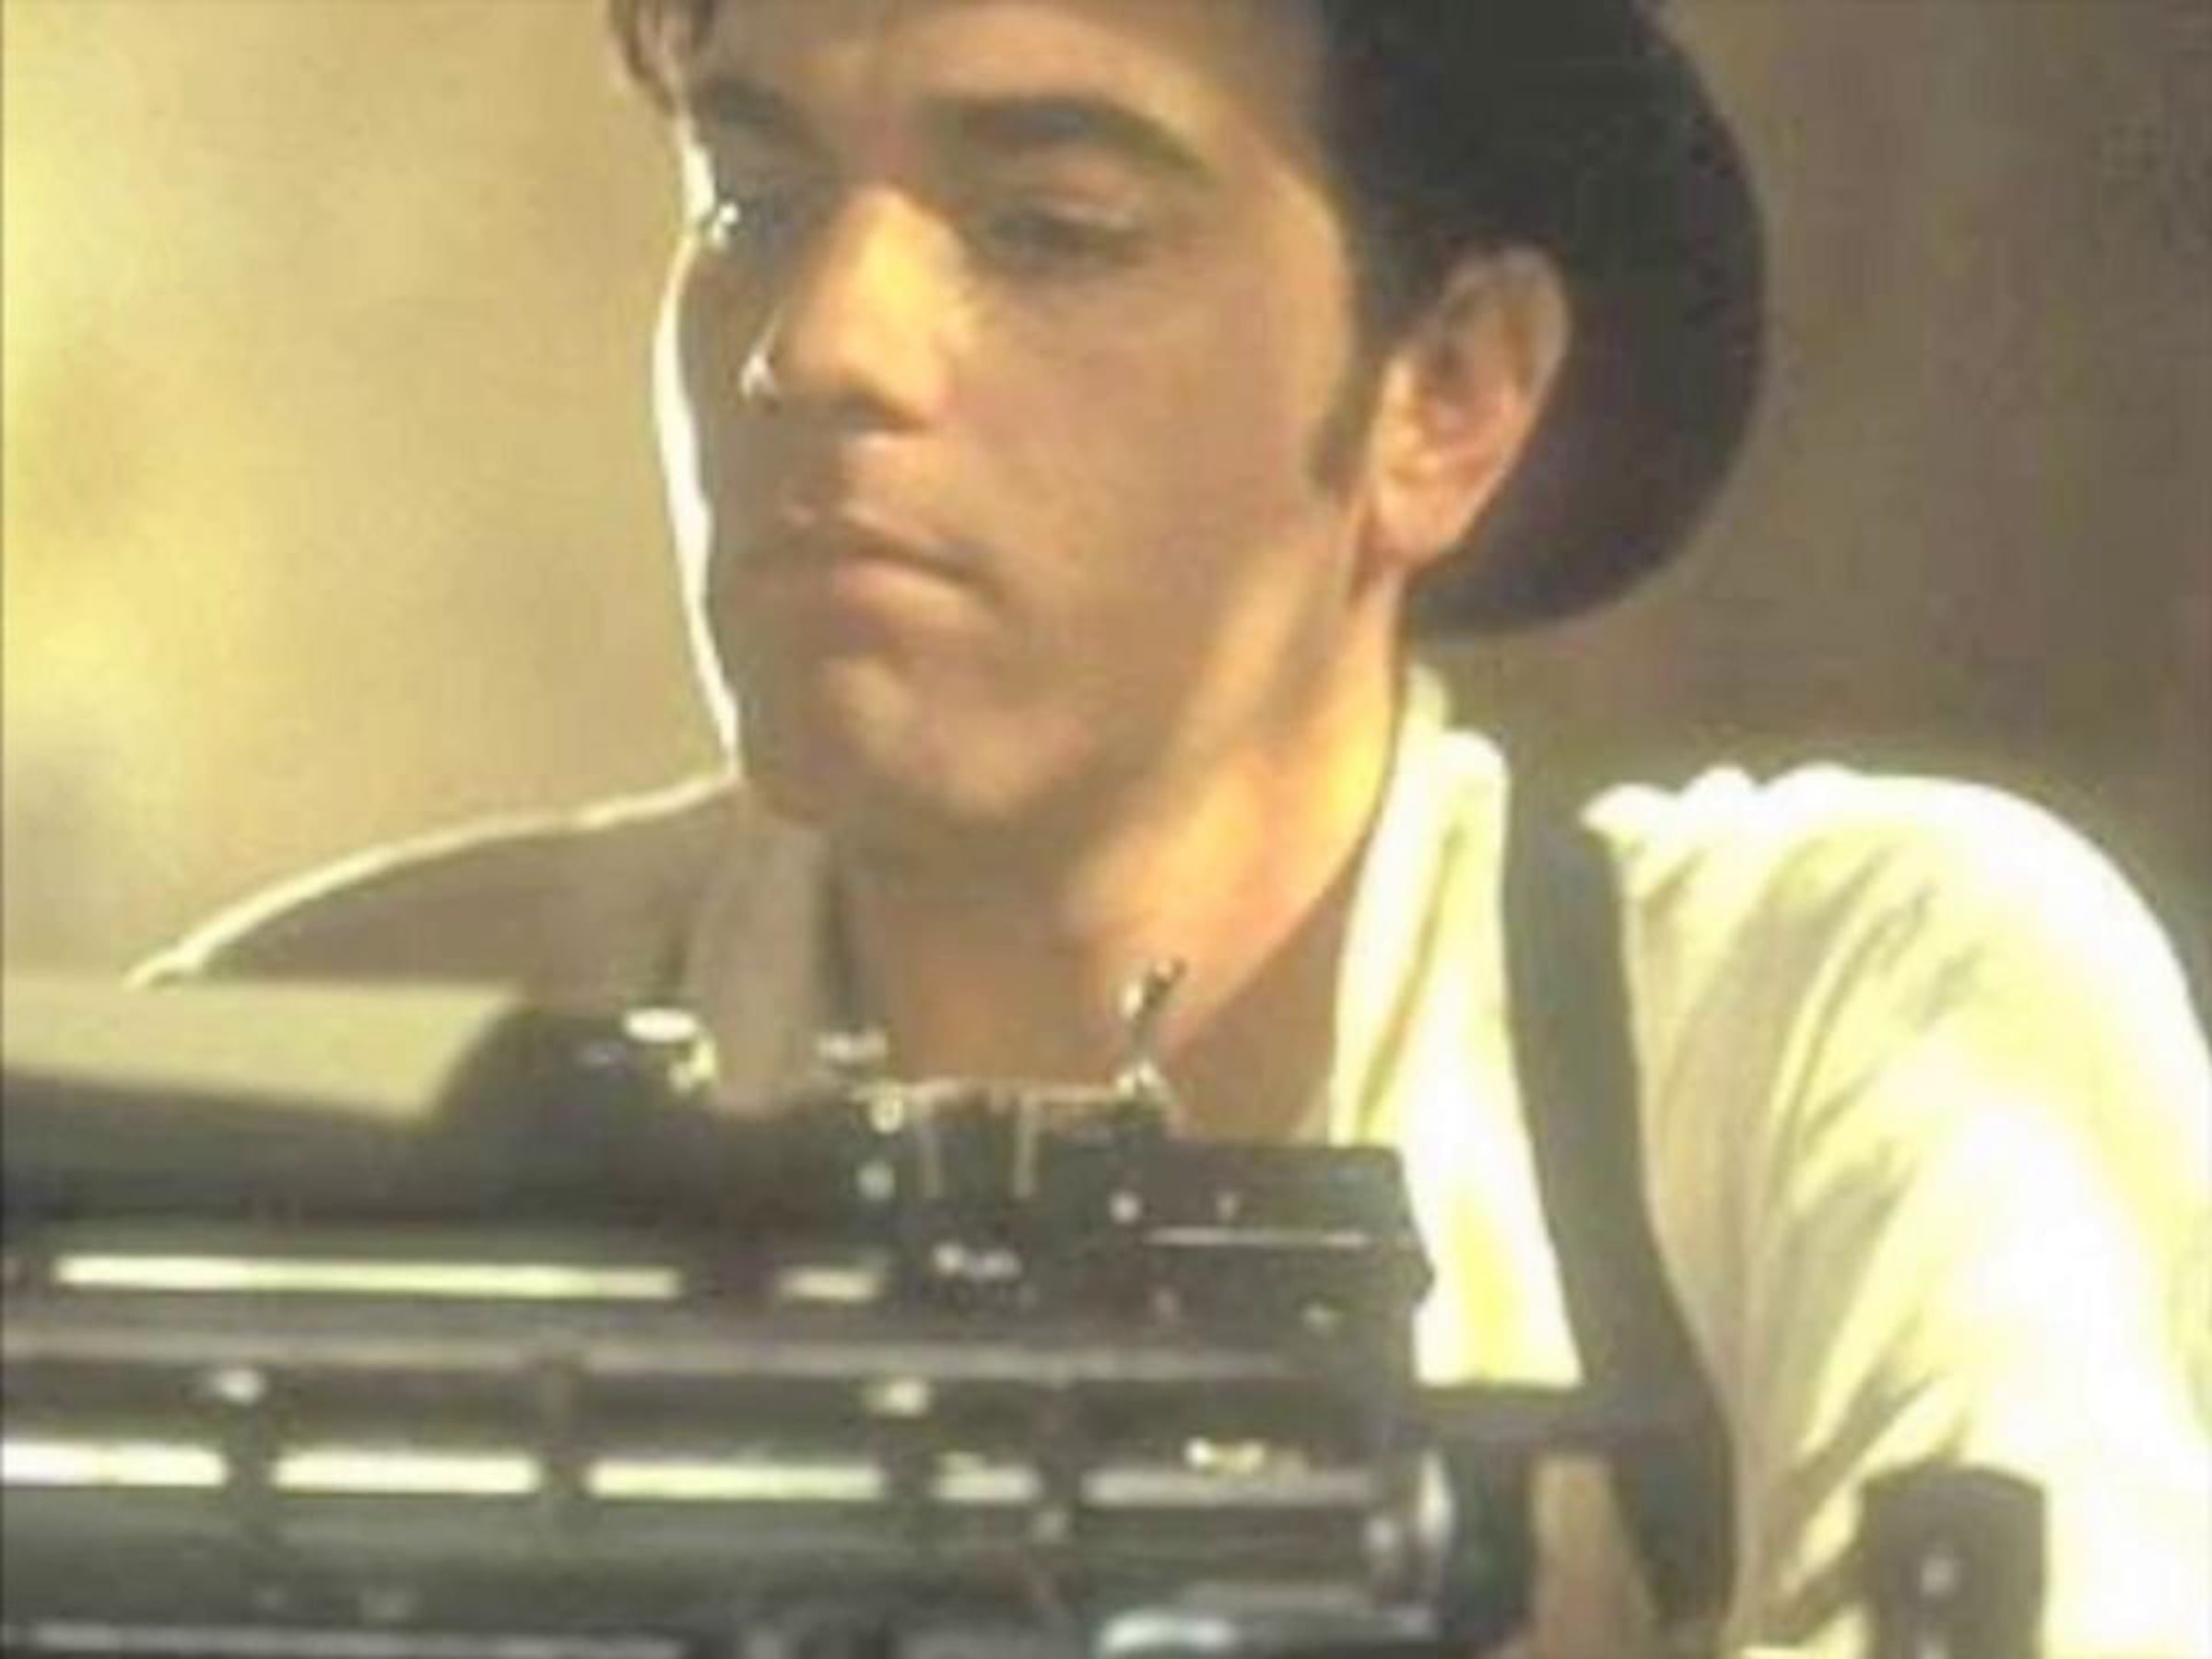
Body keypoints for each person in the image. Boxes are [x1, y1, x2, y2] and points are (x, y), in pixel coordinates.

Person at [144, 1, 2211, 1653]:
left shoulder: (1815, 1028)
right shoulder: (330, 1078)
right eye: (751, 193)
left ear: (1448, 390)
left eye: (1049, 225)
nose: (817, 347)